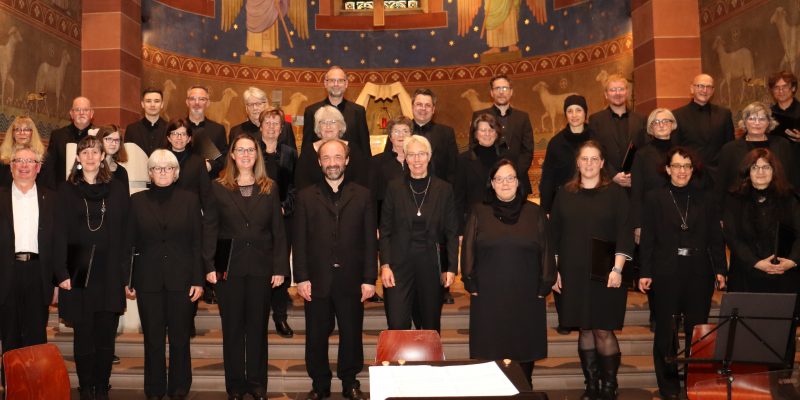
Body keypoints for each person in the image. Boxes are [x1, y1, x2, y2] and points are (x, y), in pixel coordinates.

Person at [638, 147, 727, 400]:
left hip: (699, 272)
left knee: (697, 331)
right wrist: (645, 271)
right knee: (666, 332)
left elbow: (715, 238)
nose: (681, 171)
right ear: (668, 169)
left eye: (687, 166)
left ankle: (694, 382)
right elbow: (648, 239)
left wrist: (721, 269)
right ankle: (668, 387)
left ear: (692, 170)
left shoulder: (706, 198)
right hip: (665, 271)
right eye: (676, 166)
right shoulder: (654, 198)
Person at [205, 133, 289, 400]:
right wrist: (208, 265)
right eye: (239, 150)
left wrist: (279, 268)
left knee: (256, 329)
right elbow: (211, 230)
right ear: (232, 155)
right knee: (232, 330)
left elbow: (278, 230)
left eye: (250, 150)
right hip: (228, 269)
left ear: (257, 155)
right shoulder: (218, 187)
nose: (245, 155)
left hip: (261, 269)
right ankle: (235, 386)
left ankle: (256, 384)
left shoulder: (270, 187)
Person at [293, 138, 376, 400]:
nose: (332, 163)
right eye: (326, 158)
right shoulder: (306, 196)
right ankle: (320, 384)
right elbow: (300, 240)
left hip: (352, 280)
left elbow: (369, 240)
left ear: (347, 160)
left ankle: (350, 381)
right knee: (316, 336)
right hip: (317, 280)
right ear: (319, 162)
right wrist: (301, 278)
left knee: (351, 334)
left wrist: (369, 278)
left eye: (337, 157)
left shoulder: (362, 195)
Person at [550, 140, 633, 400]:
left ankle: (609, 385)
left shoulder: (616, 193)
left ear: (601, 163)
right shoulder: (564, 193)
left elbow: (625, 233)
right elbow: (554, 236)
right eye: (584, 159)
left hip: (606, 269)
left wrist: (618, 269)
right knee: (584, 328)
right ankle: (592, 384)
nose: (588, 164)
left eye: (593, 159)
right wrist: (554, 271)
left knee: (603, 328)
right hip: (572, 270)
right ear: (577, 163)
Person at [461, 158, 555, 388]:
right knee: (493, 354)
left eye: (510, 178)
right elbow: (469, 250)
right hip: (489, 296)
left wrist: (545, 286)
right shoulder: (479, 211)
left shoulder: (535, 212)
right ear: (491, 184)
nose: (505, 183)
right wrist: (470, 283)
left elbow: (546, 249)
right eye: (499, 179)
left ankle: (524, 391)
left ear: (518, 182)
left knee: (524, 352)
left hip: (527, 295)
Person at [124, 149, 205, 400]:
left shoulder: (190, 200)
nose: (163, 172)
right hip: (148, 281)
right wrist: (128, 279)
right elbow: (129, 243)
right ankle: (155, 388)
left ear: (176, 172)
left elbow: (197, 243)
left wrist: (198, 280)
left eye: (168, 168)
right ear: (149, 173)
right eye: (157, 168)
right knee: (153, 340)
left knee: (180, 338)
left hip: (182, 281)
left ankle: (180, 387)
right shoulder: (136, 201)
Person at [55, 135, 130, 400]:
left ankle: (102, 385)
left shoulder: (118, 189)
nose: (89, 157)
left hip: (109, 271)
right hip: (77, 270)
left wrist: (126, 274)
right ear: (77, 157)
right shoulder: (65, 191)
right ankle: (86, 386)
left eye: (94, 152)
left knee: (105, 336)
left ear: (102, 157)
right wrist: (61, 273)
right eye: (84, 152)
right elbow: (58, 233)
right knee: (83, 335)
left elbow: (126, 233)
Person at [723, 148, 800, 370]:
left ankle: (781, 381)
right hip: (747, 275)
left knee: (782, 332)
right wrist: (757, 263)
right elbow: (732, 237)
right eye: (755, 167)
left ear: (774, 171)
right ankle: (751, 383)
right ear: (747, 171)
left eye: (766, 167)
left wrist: (792, 261)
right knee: (748, 331)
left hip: (784, 276)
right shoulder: (734, 199)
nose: (760, 172)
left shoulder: (790, 198)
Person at [379, 135, 459, 332]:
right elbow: (385, 230)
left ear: (429, 157)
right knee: (397, 322)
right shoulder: (394, 187)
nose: (416, 160)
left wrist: (450, 268)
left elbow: (451, 231)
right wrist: (385, 265)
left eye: (421, 154)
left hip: (431, 263)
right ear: (405, 158)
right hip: (399, 264)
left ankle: (429, 363)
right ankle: (399, 362)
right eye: (412, 155)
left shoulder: (444, 189)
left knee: (430, 324)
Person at [0, 145, 59, 360]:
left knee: (36, 338)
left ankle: (35, 390)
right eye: (18, 161)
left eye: (30, 162)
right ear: (11, 167)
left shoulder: (53, 199)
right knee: (9, 338)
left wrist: (57, 280)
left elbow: (58, 242)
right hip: (6, 274)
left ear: (39, 168)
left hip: (39, 273)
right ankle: (12, 390)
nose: (24, 166)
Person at [163, 118, 214, 330]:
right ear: (168, 137)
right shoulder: (161, 159)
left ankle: (188, 317)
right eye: (175, 134)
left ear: (190, 138)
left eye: (183, 134)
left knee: (190, 271)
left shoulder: (197, 162)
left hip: (190, 224)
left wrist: (207, 225)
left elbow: (207, 197)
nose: (179, 138)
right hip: (164, 223)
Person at [257, 107, 298, 338]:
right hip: (257, 219)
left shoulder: (289, 153)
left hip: (283, 218)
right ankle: (259, 316)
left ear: (282, 129)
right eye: (268, 123)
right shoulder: (251, 151)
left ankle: (280, 317)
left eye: (276, 124)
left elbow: (294, 186)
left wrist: (285, 206)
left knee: (280, 267)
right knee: (261, 268)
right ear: (260, 126)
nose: (272, 127)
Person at [716, 102, 797, 199]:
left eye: (762, 119)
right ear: (744, 122)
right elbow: (721, 186)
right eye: (752, 118)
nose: (757, 123)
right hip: (740, 205)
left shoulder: (782, 145)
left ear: (769, 122)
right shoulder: (729, 149)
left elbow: (792, 179)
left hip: (777, 204)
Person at [469, 74, 534, 195]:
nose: (501, 92)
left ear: (511, 92)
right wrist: (492, 176)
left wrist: (513, 175)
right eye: (497, 88)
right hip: (487, 181)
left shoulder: (523, 117)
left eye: (505, 88)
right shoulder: (479, 116)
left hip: (517, 181)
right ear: (491, 93)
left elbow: (528, 151)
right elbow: (473, 148)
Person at [456, 113, 513, 233]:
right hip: (475, 223)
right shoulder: (463, 160)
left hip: (505, 220)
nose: (487, 134)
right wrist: (460, 231)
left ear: (497, 133)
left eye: (491, 129)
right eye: (483, 130)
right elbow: (458, 198)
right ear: (476, 134)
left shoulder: (507, 158)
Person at [588, 74, 647, 188]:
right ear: (606, 94)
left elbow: (644, 150)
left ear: (627, 92)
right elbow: (596, 151)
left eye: (621, 89)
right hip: (607, 183)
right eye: (613, 90)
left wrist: (633, 175)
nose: (617, 93)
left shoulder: (641, 119)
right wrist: (613, 175)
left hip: (634, 183)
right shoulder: (596, 120)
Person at [672, 74, 734, 183]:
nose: (704, 90)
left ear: (713, 91)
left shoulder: (724, 114)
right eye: (700, 86)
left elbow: (730, 146)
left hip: (718, 177)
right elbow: (675, 149)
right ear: (692, 88)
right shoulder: (677, 115)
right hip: (690, 176)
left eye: (709, 87)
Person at [539, 94, 593, 214]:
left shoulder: (596, 139)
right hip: (565, 203)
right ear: (565, 115)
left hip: (593, 200)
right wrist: (544, 210)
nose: (574, 115)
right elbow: (548, 178)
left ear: (585, 113)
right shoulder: (555, 143)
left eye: (578, 110)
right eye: (570, 111)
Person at [631, 108, 678, 241]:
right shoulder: (642, 155)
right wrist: (637, 225)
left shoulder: (682, 152)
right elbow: (636, 192)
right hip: (652, 216)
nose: (661, 125)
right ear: (651, 128)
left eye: (665, 121)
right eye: (656, 122)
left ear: (672, 124)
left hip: (679, 215)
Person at [295, 105, 369, 190]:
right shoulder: (307, 152)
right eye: (323, 122)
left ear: (340, 126)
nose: (328, 126)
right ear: (318, 128)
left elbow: (361, 182)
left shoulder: (353, 150)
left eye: (333, 121)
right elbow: (301, 184)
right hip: (314, 201)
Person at [302, 66, 370, 154]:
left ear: (346, 84)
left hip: (352, 165)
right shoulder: (311, 111)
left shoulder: (358, 111)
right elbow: (307, 148)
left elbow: (365, 147)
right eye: (332, 80)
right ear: (325, 84)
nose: (336, 84)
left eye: (340, 80)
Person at [41, 96, 95, 189]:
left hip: (92, 191)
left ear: (91, 113)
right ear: (71, 113)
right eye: (77, 110)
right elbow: (50, 168)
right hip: (63, 192)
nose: (81, 113)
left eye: (85, 110)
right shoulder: (58, 136)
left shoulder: (99, 136)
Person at [230, 86, 297, 150]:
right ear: (246, 108)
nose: (255, 108)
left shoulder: (285, 127)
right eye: (250, 104)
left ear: (266, 105)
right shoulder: (236, 131)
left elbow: (293, 157)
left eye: (258, 104)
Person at [185, 85, 229, 178]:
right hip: (181, 185)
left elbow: (223, 158)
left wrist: (210, 165)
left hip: (209, 185)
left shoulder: (218, 129)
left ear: (208, 103)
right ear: (187, 102)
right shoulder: (178, 128)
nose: (197, 103)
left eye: (202, 99)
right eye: (192, 99)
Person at [0, 116, 46, 187]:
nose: (22, 133)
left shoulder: (43, 157)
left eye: (26, 129)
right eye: (17, 129)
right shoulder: (3, 156)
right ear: (13, 134)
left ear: (32, 133)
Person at [125, 88, 168, 156]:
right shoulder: (132, 129)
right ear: (142, 104)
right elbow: (127, 155)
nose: (152, 105)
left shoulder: (169, 128)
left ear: (162, 104)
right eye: (148, 101)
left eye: (157, 101)